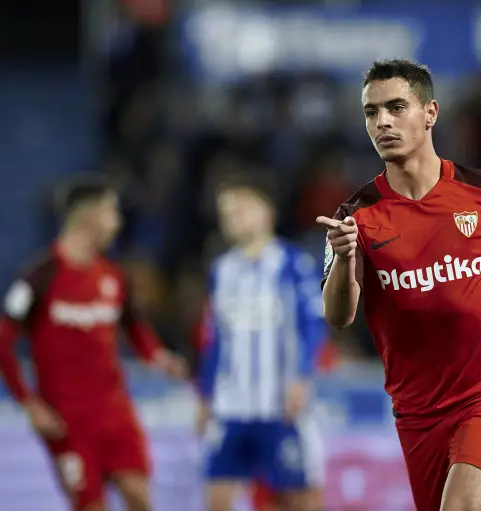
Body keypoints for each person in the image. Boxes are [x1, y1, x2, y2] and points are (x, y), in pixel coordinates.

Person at [317, 59, 481, 511]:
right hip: (418, 414)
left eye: (397, 107)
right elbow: (338, 316)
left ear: (430, 113)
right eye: (371, 112)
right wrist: (344, 259)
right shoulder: (354, 217)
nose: (382, 121)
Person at [0, 177, 187, 511]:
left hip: (115, 413)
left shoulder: (114, 277)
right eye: (112, 212)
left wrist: (157, 356)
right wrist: (28, 403)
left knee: (140, 499)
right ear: (90, 217)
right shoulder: (40, 276)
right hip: (66, 422)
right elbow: (3, 341)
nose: (117, 222)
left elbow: (135, 327)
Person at [197, 173, 326, 511]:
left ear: (266, 212)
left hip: (278, 405)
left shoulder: (292, 264)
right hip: (231, 407)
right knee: (217, 497)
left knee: (299, 498)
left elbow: (312, 326)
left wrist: (301, 378)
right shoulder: (221, 271)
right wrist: (205, 395)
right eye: (226, 212)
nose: (232, 218)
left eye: (241, 208)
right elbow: (214, 340)